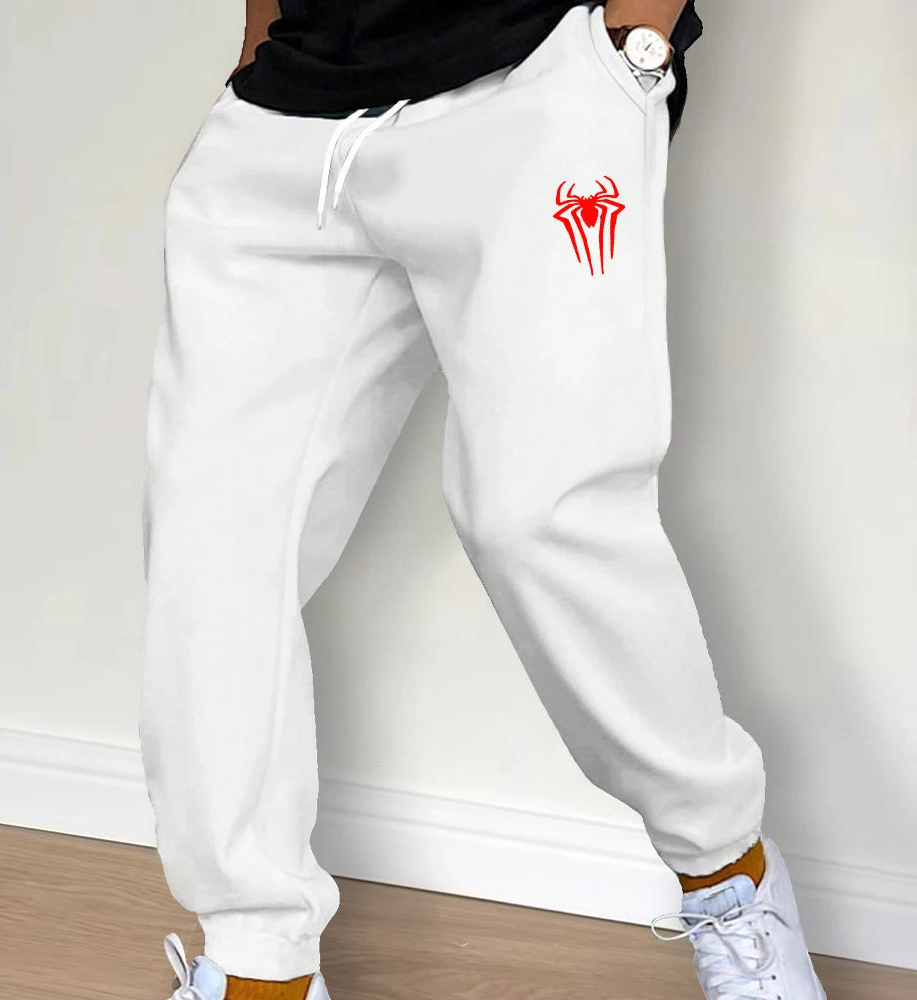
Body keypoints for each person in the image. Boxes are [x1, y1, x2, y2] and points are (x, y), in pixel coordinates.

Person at [140, 2, 827, 998]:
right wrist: (260, 39)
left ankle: (729, 874)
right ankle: (257, 970)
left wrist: (632, 42)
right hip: (285, 124)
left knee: (540, 516)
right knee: (208, 556)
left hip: (528, 81)